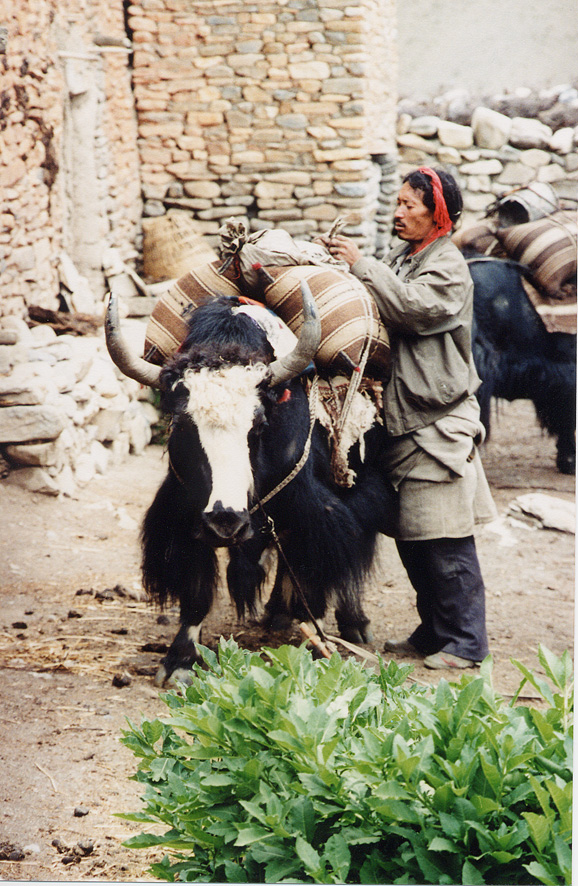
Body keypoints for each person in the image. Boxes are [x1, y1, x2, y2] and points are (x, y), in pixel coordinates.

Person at [322, 166, 497, 669]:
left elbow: (412, 310)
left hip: (437, 422)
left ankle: (466, 643)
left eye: (409, 206)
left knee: (445, 537)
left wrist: (362, 267)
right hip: (406, 419)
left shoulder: (448, 267)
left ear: (436, 215)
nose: (398, 213)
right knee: (416, 539)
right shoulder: (408, 256)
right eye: (396, 203)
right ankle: (433, 632)